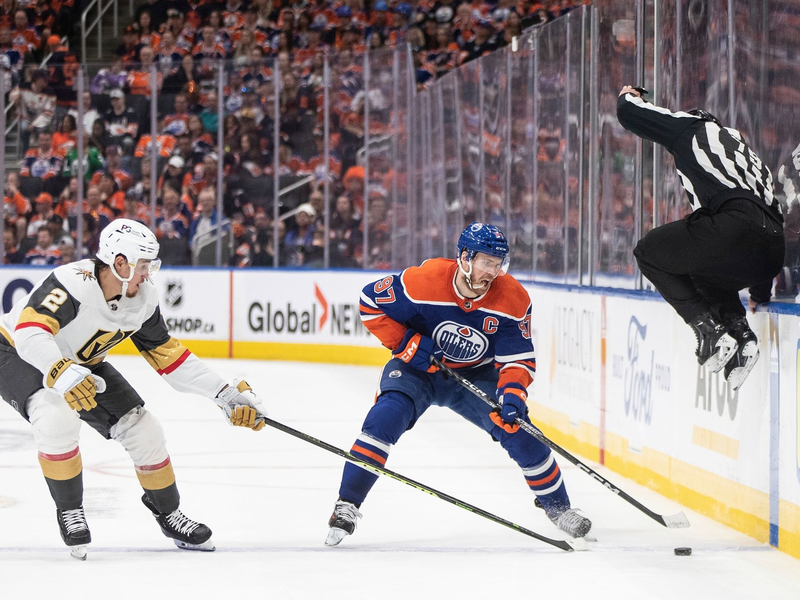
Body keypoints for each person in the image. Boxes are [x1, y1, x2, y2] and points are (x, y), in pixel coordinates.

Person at [0, 219, 269, 560]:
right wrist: (61, 372)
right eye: (144, 265)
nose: (149, 272)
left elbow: (169, 358)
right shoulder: (74, 282)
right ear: (120, 262)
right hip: (18, 352)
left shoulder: (143, 298)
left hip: (79, 362)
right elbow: (29, 333)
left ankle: (169, 514)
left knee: (146, 431)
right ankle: (69, 511)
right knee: (56, 419)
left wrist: (224, 393)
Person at [324, 222, 592, 546]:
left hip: (475, 376)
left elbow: (518, 360)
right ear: (465, 258)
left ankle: (559, 508)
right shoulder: (423, 281)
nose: (493, 271)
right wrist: (406, 344)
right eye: (486, 262)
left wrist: (512, 392)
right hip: (418, 370)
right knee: (384, 419)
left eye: (499, 263)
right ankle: (347, 504)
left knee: (518, 429)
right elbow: (370, 302)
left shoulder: (513, 299)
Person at [616, 86, 785, 391]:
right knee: (704, 269)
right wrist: (760, 292)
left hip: (735, 224)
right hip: (773, 247)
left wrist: (629, 95)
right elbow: (770, 224)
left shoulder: (693, 129)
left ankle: (707, 330)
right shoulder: (752, 160)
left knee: (648, 252)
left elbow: (630, 114)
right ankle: (740, 334)